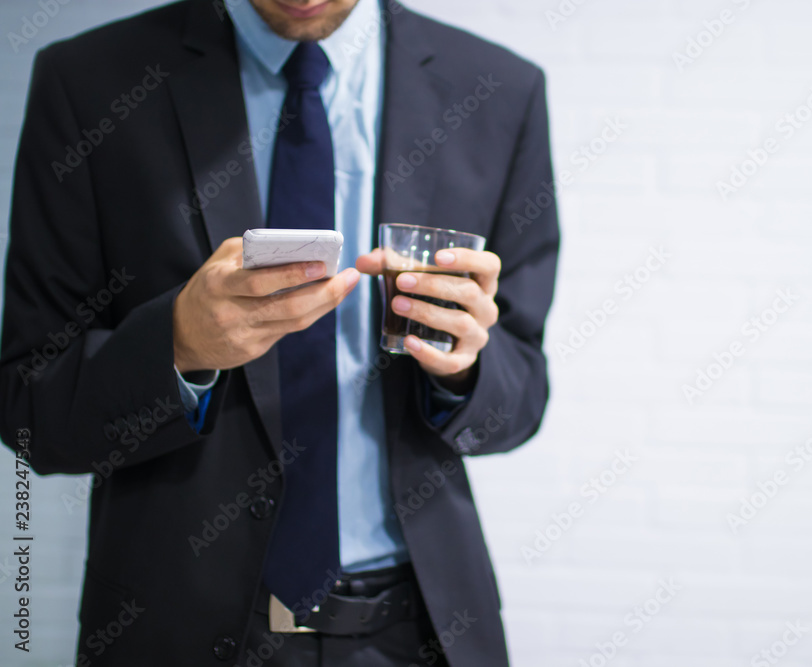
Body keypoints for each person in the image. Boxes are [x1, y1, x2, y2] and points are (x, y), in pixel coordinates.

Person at [0, 0, 559, 664]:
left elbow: (521, 397)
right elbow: (29, 403)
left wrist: (464, 370)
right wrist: (177, 344)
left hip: (422, 633)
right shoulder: (88, 82)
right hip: (174, 631)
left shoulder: (497, 90)